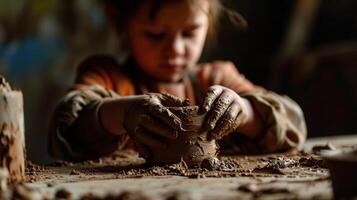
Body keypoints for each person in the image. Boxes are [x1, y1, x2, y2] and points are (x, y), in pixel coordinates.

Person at [48, 0, 307, 161]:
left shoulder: (217, 78)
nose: (175, 49)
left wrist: (247, 113)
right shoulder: (107, 77)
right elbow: (66, 131)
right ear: (122, 22)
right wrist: (123, 112)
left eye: (190, 32)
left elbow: (294, 124)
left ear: (209, 24)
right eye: (155, 35)